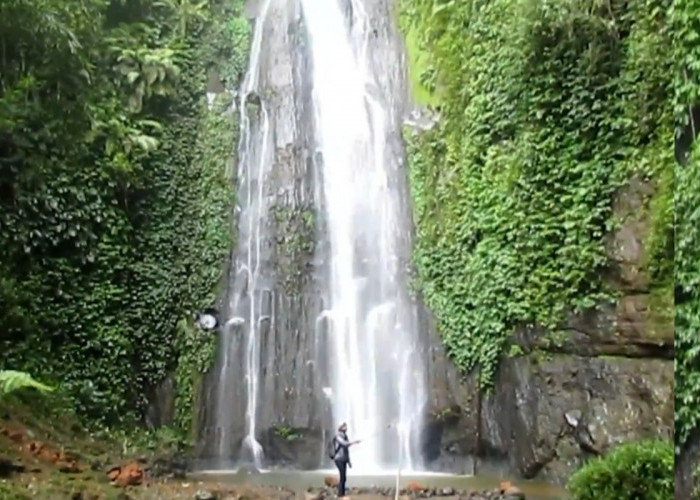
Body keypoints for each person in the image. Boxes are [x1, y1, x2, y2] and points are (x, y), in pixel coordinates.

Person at [331, 422, 360, 497]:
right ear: (340, 427)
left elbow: (346, 450)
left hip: (343, 459)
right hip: (338, 459)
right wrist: (355, 442)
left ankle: (342, 493)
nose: (346, 428)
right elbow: (344, 444)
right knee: (342, 476)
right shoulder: (338, 436)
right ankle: (340, 494)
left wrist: (349, 461)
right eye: (344, 426)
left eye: (346, 426)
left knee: (344, 477)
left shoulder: (345, 436)